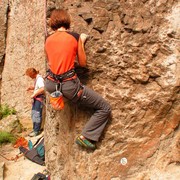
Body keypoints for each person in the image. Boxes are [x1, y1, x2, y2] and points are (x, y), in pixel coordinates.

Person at [44, 9, 111, 149]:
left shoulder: (47, 39)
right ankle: (86, 136)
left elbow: (51, 60)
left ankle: (59, 99)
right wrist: (81, 41)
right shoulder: (74, 37)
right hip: (69, 86)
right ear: (67, 20)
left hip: (51, 84)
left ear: (52, 23)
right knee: (104, 108)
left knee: (61, 91)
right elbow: (82, 63)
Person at [25, 68, 45, 137]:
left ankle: (36, 130)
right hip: (36, 99)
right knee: (34, 114)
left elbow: (42, 88)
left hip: (39, 98)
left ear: (32, 74)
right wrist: (32, 88)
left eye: (30, 75)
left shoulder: (39, 79)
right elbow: (38, 87)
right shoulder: (37, 79)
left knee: (36, 114)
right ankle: (34, 129)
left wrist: (34, 94)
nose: (30, 77)